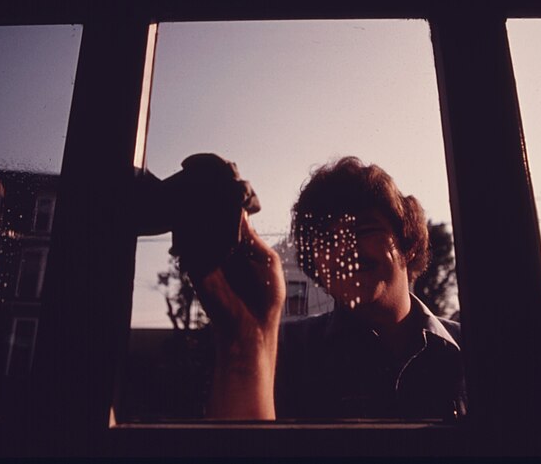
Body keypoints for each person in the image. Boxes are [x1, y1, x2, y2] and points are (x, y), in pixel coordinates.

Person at [192, 156, 466, 420]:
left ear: (409, 245)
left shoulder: (472, 351)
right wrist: (246, 334)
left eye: (364, 230)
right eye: (327, 239)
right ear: (316, 269)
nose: (345, 249)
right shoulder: (284, 352)